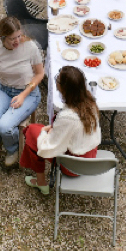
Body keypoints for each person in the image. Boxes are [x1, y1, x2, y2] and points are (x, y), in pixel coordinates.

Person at [20, 65, 101, 195]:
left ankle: (41, 183)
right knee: (38, 130)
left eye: (58, 79)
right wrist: (54, 129)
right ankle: (40, 180)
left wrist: (44, 132)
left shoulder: (68, 117)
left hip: (73, 165)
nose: (56, 81)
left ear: (64, 88)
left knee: (31, 131)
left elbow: (47, 148)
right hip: (91, 155)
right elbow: (74, 128)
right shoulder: (89, 99)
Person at [0, 16, 45, 167]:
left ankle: (12, 149)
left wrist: (23, 95)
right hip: (4, 89)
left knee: (4, 126)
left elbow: (40, 74)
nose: (17, 41)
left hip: (27, 92)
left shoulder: (30, 47)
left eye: (19, 36)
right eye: (12, 38)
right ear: (2, 38)